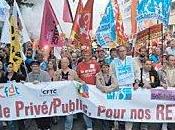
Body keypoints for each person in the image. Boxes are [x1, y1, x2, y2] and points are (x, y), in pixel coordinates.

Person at [110, 45, 139, 130]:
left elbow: (137, 72)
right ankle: (117, 127)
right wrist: (115, 83)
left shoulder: (132, 61)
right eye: (120, 51)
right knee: (118, 109)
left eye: (123, 51)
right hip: (118, 88)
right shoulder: (113, 63)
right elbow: (111, 74)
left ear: (126, 52)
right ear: (117, 53)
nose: (122, 53)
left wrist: (136, 82)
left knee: (129, 108)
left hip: (129, 87)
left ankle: (128, 128)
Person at [54, 57, 83, 130]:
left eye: (65, 62)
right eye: (62, 62)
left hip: (70, 97)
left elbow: (77, 81)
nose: (63, 64)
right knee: (61, 115)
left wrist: (81, 83)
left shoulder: (73, 72)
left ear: (68, 63)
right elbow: (53, 84)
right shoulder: (57, 72)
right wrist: (57, 77)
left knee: (69, 116)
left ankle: (68, 128)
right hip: (60, 97)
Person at [76, 48, 100, 130]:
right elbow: (76, 77)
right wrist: (80, 81)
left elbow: (100, 76)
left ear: (91, 56)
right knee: (85, 107)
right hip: (83, 89)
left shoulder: (96, 64)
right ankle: (89, 126)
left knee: (94, 106)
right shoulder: (79, 65)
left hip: (94, 90)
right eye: (84, 55)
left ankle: (94, 120)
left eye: (87, 55)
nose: (86, 56)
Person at [28, 60, 51, 130]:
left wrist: (40, 83)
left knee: (46, 113)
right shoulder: (28, 75)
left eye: (36, 66)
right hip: (34, 99)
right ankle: (39, 127)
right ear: (31, 67)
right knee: (37, 113)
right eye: (33, 66)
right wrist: (24, 84)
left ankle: (47, 127)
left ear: (39, 67)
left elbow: (49, 84)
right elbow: (27, 86)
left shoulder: (45, 74)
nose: (35, 68)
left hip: (44, 98)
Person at [96, 62, 119, 130]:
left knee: (111, 110)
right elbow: (98, 85)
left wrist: (107, 89)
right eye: (103, 67)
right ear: (101, 68)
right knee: (104, 111)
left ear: (108, 67)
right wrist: (104, 89)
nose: (105, 69)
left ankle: (112, 125)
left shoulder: (112, 74)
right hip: (102, 96)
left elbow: (115, 84)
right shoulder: (98, 75)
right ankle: (105, 127)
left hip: (111, 96)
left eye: (106, 67)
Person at [4, 62, 26, 130]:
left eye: (10, 67)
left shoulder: (18, 76)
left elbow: (25, 82)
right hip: (8, 101)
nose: (8, 68)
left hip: (18, 100)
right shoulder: (4, 77)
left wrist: (22, 83)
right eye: (7, 67)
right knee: (11, 119)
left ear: (13, 68)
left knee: (20, 118)